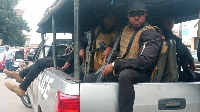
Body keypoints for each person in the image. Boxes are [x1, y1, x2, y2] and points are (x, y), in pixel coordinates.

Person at [83, 0, 163, 112]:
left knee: (125, 76)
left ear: (145, 14)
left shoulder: (150, 34)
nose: (136, 17)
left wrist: (115, 65)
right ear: (127, 15)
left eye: (140, 13)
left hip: (141, 72)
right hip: (123, 67)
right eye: (132, 14)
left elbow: (145, 62)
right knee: (89, 80)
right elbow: (120, 41)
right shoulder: (126, 28)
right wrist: (110, 46)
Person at [4, 47, 74, 97]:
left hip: (71, 64)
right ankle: (20, 75)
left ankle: (22, 87)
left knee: (41, 62)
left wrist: (63, 68)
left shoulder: (82, 39)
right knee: (42, 60)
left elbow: (75, 54)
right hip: (68, 59)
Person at [159, 16, 197, 81]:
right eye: (173, 24)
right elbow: (182, 49)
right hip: (167, 74)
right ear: (169, 23)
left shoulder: (153, 32)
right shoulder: (169, 36)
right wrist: (191, 61)